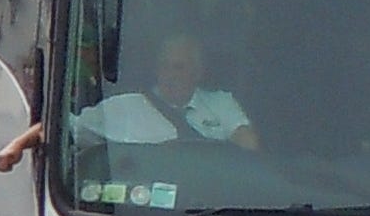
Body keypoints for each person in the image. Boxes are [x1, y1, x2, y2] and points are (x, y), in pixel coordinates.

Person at [72, 31, 261, 155]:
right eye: (165, 66)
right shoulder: (125, 106)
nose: (170, 75)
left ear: (198, 72)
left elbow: (249, 146)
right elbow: (72, 128)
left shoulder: (220, 103)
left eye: (179, 68)